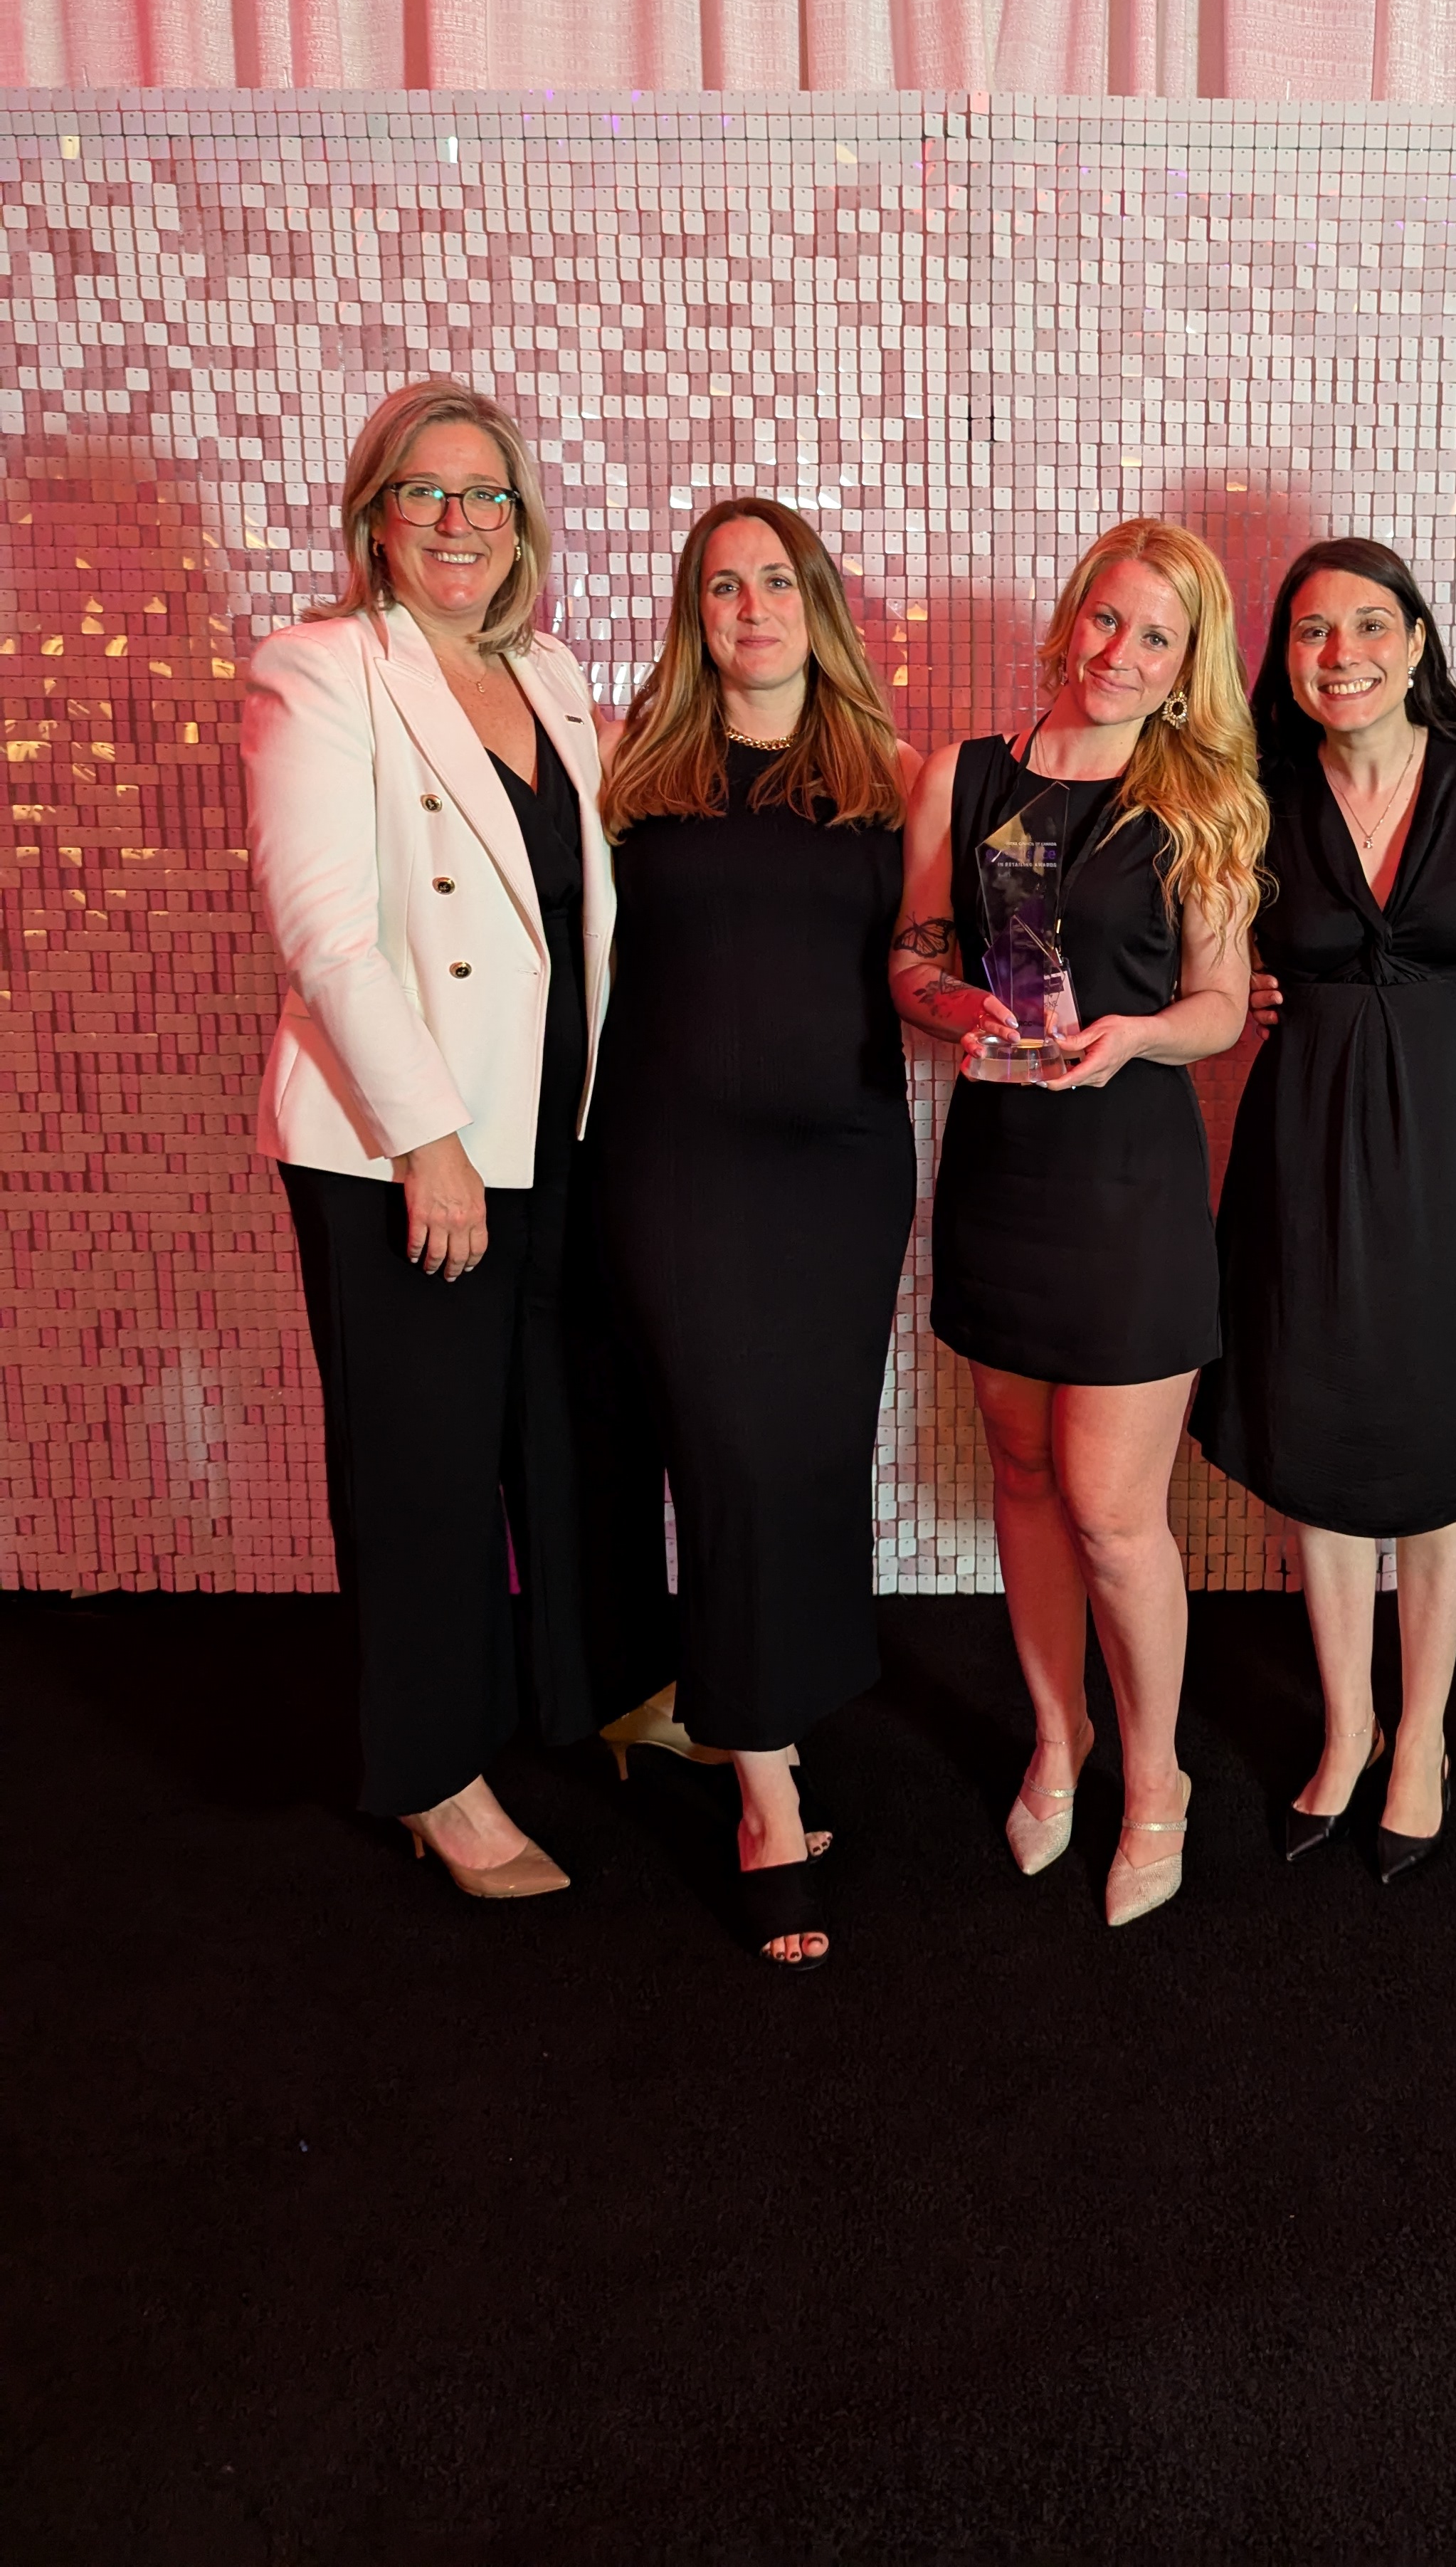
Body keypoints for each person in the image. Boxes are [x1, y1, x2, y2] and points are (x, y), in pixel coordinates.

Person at [243, 379, 617, 1899]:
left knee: (549, 1434)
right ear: (376, 521)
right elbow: (328, 936)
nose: (459, 521)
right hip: (406, 1145)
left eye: (487, 495)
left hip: (549, 1127)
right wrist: (428, 1141)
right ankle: (433, 1777)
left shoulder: (549, 672)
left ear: (522, 523)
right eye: (425, 493)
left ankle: (572, 1703)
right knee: (423, 1465)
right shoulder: (321, 668)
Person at [890, 520, 1266, 1928]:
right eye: (1108, 618)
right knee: (1023, 1470)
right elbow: (915, 952)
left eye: (1156, 637)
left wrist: (1138, 1036)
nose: (1121, 652)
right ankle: (1061, 1741)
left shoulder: (1204, 802)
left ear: (1185, 667)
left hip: (1130, 1186)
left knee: (1114, 1511)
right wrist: (957, 1010)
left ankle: (1158, 1783)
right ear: (1069, 620)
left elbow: (1220, 1006)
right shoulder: (964, 775)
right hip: (1001, 1168)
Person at [585, 499, 919, 1971]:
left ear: (816, 603)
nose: (751, 607)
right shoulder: (631, 774)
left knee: (806, 1458)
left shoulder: (891, 781)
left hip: (841, 1172)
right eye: (722, 587)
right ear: (694, 614)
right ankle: (765, 1798)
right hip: (675, 1168)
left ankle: (770, 1715)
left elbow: (956, 954)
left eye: (775, 581)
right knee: (725, 1459)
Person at [1192, 541, 1456, 1880]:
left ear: (1417, 639)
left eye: (1371, 625)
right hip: (1305, 1151)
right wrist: (1236, 995)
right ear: (1283, 659)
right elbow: (1187, 945)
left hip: (1450, 1158)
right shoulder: (1254, 794)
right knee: (1320, 1437)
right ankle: (1349, 1726)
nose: (1344, 655)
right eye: (1313, 632)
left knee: (1438, 1446)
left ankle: (1425, 1735)